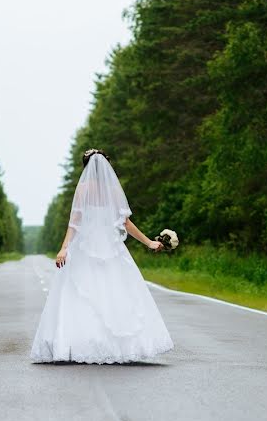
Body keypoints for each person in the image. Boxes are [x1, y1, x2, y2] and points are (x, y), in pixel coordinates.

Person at [30, 149, 174, 364]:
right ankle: (118, 346)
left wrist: (64, 248)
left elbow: (74, 223)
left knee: (80, 294)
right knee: (115, 292)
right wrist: (149, 242)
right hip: (110, 247)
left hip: (85, 246)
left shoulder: (83, 189)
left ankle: (80, 342)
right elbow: (125, 223)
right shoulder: (114, 191)